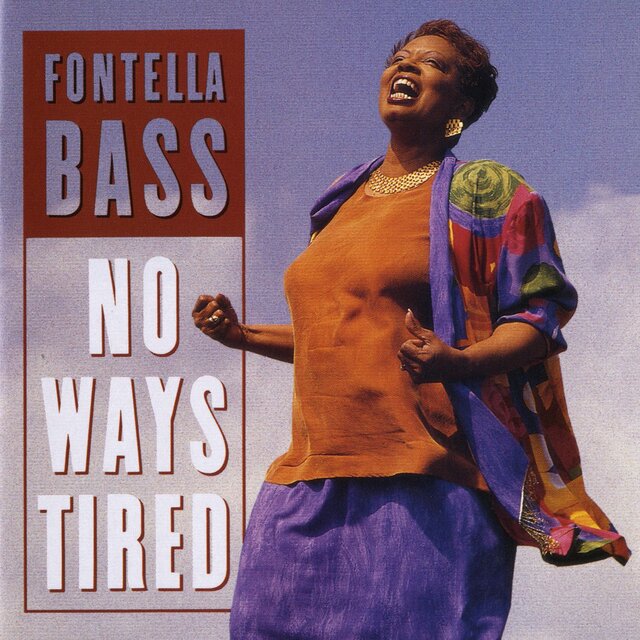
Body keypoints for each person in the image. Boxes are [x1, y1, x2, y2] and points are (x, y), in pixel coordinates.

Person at [193, 19, 630, 640]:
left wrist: (458, 362)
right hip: (305, 477)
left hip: (428, 475)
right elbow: (337, 334)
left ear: (461, 106)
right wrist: (242, 337)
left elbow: (538, 317)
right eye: (400, 57)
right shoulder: (339, 202)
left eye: (434, 64)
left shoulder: (485, 192)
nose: (408, 66)